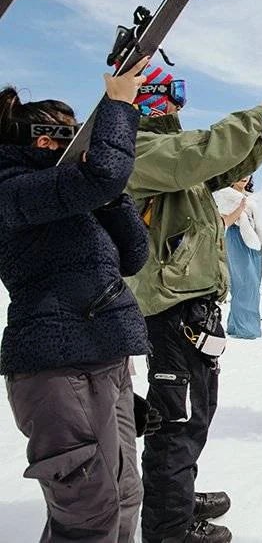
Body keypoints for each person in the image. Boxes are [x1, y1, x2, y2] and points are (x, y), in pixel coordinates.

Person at [126, 62, 262, 543]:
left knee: (196, 410)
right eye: (172, 92)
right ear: (150, 98)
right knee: (175, 419)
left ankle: (176, 491)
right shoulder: (140, 148)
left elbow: (225, 165)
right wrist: (258, 112)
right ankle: (169, 525)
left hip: (193, 306)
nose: (180, 101)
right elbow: (199, 154)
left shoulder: (171, 153)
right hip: (169, 310)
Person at [0, 61, 154, 542]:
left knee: (126, 495)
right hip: (55, 372)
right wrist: (118, 105)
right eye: (72, 139)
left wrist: (111, 202)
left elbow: (133, 255)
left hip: (105, 359)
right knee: (88, 518)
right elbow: (104, 173)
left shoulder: (70, 197)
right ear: (44, 142)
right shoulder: (12, 191)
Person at [213, 176, 262, 339]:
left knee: (254, 281)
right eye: (241, 173)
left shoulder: (253, 196)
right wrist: (241, 208)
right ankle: (246, 329)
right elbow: (224, 220)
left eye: (249, 173)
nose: (245, 177)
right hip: (236, 236)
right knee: (245, 282)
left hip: (255, 241)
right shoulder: (224, 194)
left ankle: (236, 325)